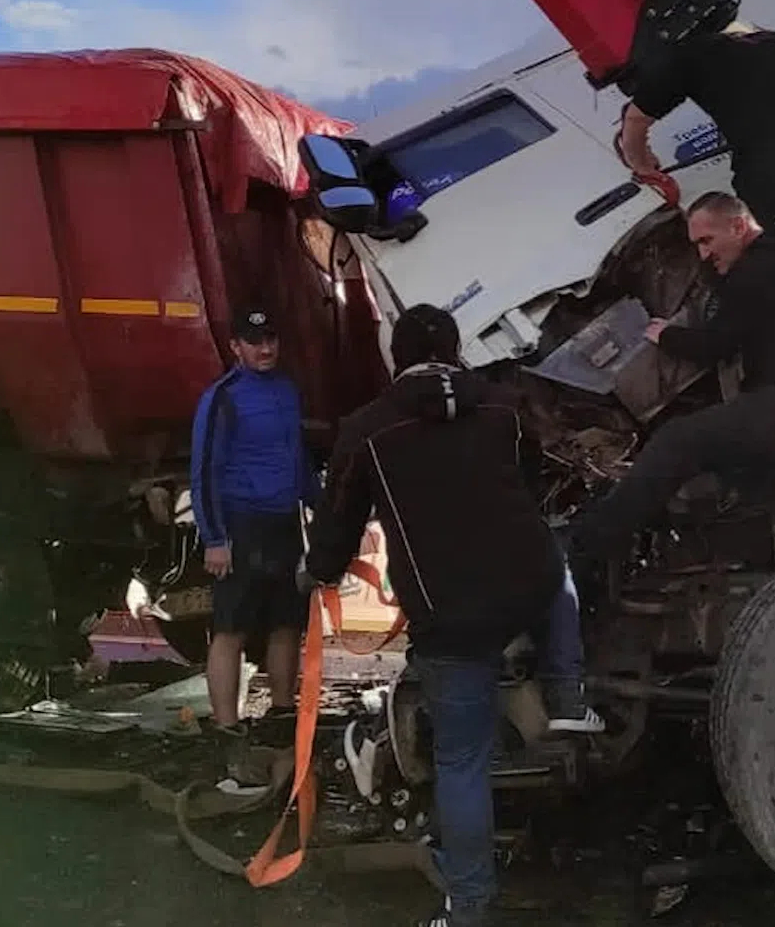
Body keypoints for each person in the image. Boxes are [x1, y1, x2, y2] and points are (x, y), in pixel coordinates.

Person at [302, 303, 568, 927]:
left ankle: (470, 904)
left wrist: (316, 571)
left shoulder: (366, 429)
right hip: (525, 591)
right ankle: (567, 697)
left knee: (462, 759)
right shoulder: (505, 406)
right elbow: (534, 484)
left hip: (450, 612)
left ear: (396, 359)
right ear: (455, 351)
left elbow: (337, 527)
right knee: (554, 604)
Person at [567, 191, 775, 569]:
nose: (701, 254)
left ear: (739, 225)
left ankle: (581, 549)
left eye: (706, 241)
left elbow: (714, 345)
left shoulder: (758, 270)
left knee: (679, 439)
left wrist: (662, 334)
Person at [616, 25, 775, 350]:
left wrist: (640, 162)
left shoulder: (688, 55)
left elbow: (635, 121)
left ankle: (752, 359)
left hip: (770, 165)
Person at [189, 307, 319, 751]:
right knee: (231, 627)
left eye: (271, 341)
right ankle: (227, 725)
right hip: (240, 525)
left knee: (287, 622)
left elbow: (299, 458)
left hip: (283, 523)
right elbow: (204, 472)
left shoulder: (286, 390)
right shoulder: (222, 398)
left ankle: (282, 711)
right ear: (235, 347)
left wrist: (319, 511)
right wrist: (215, 539)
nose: (265, 349)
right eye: (254, 342)